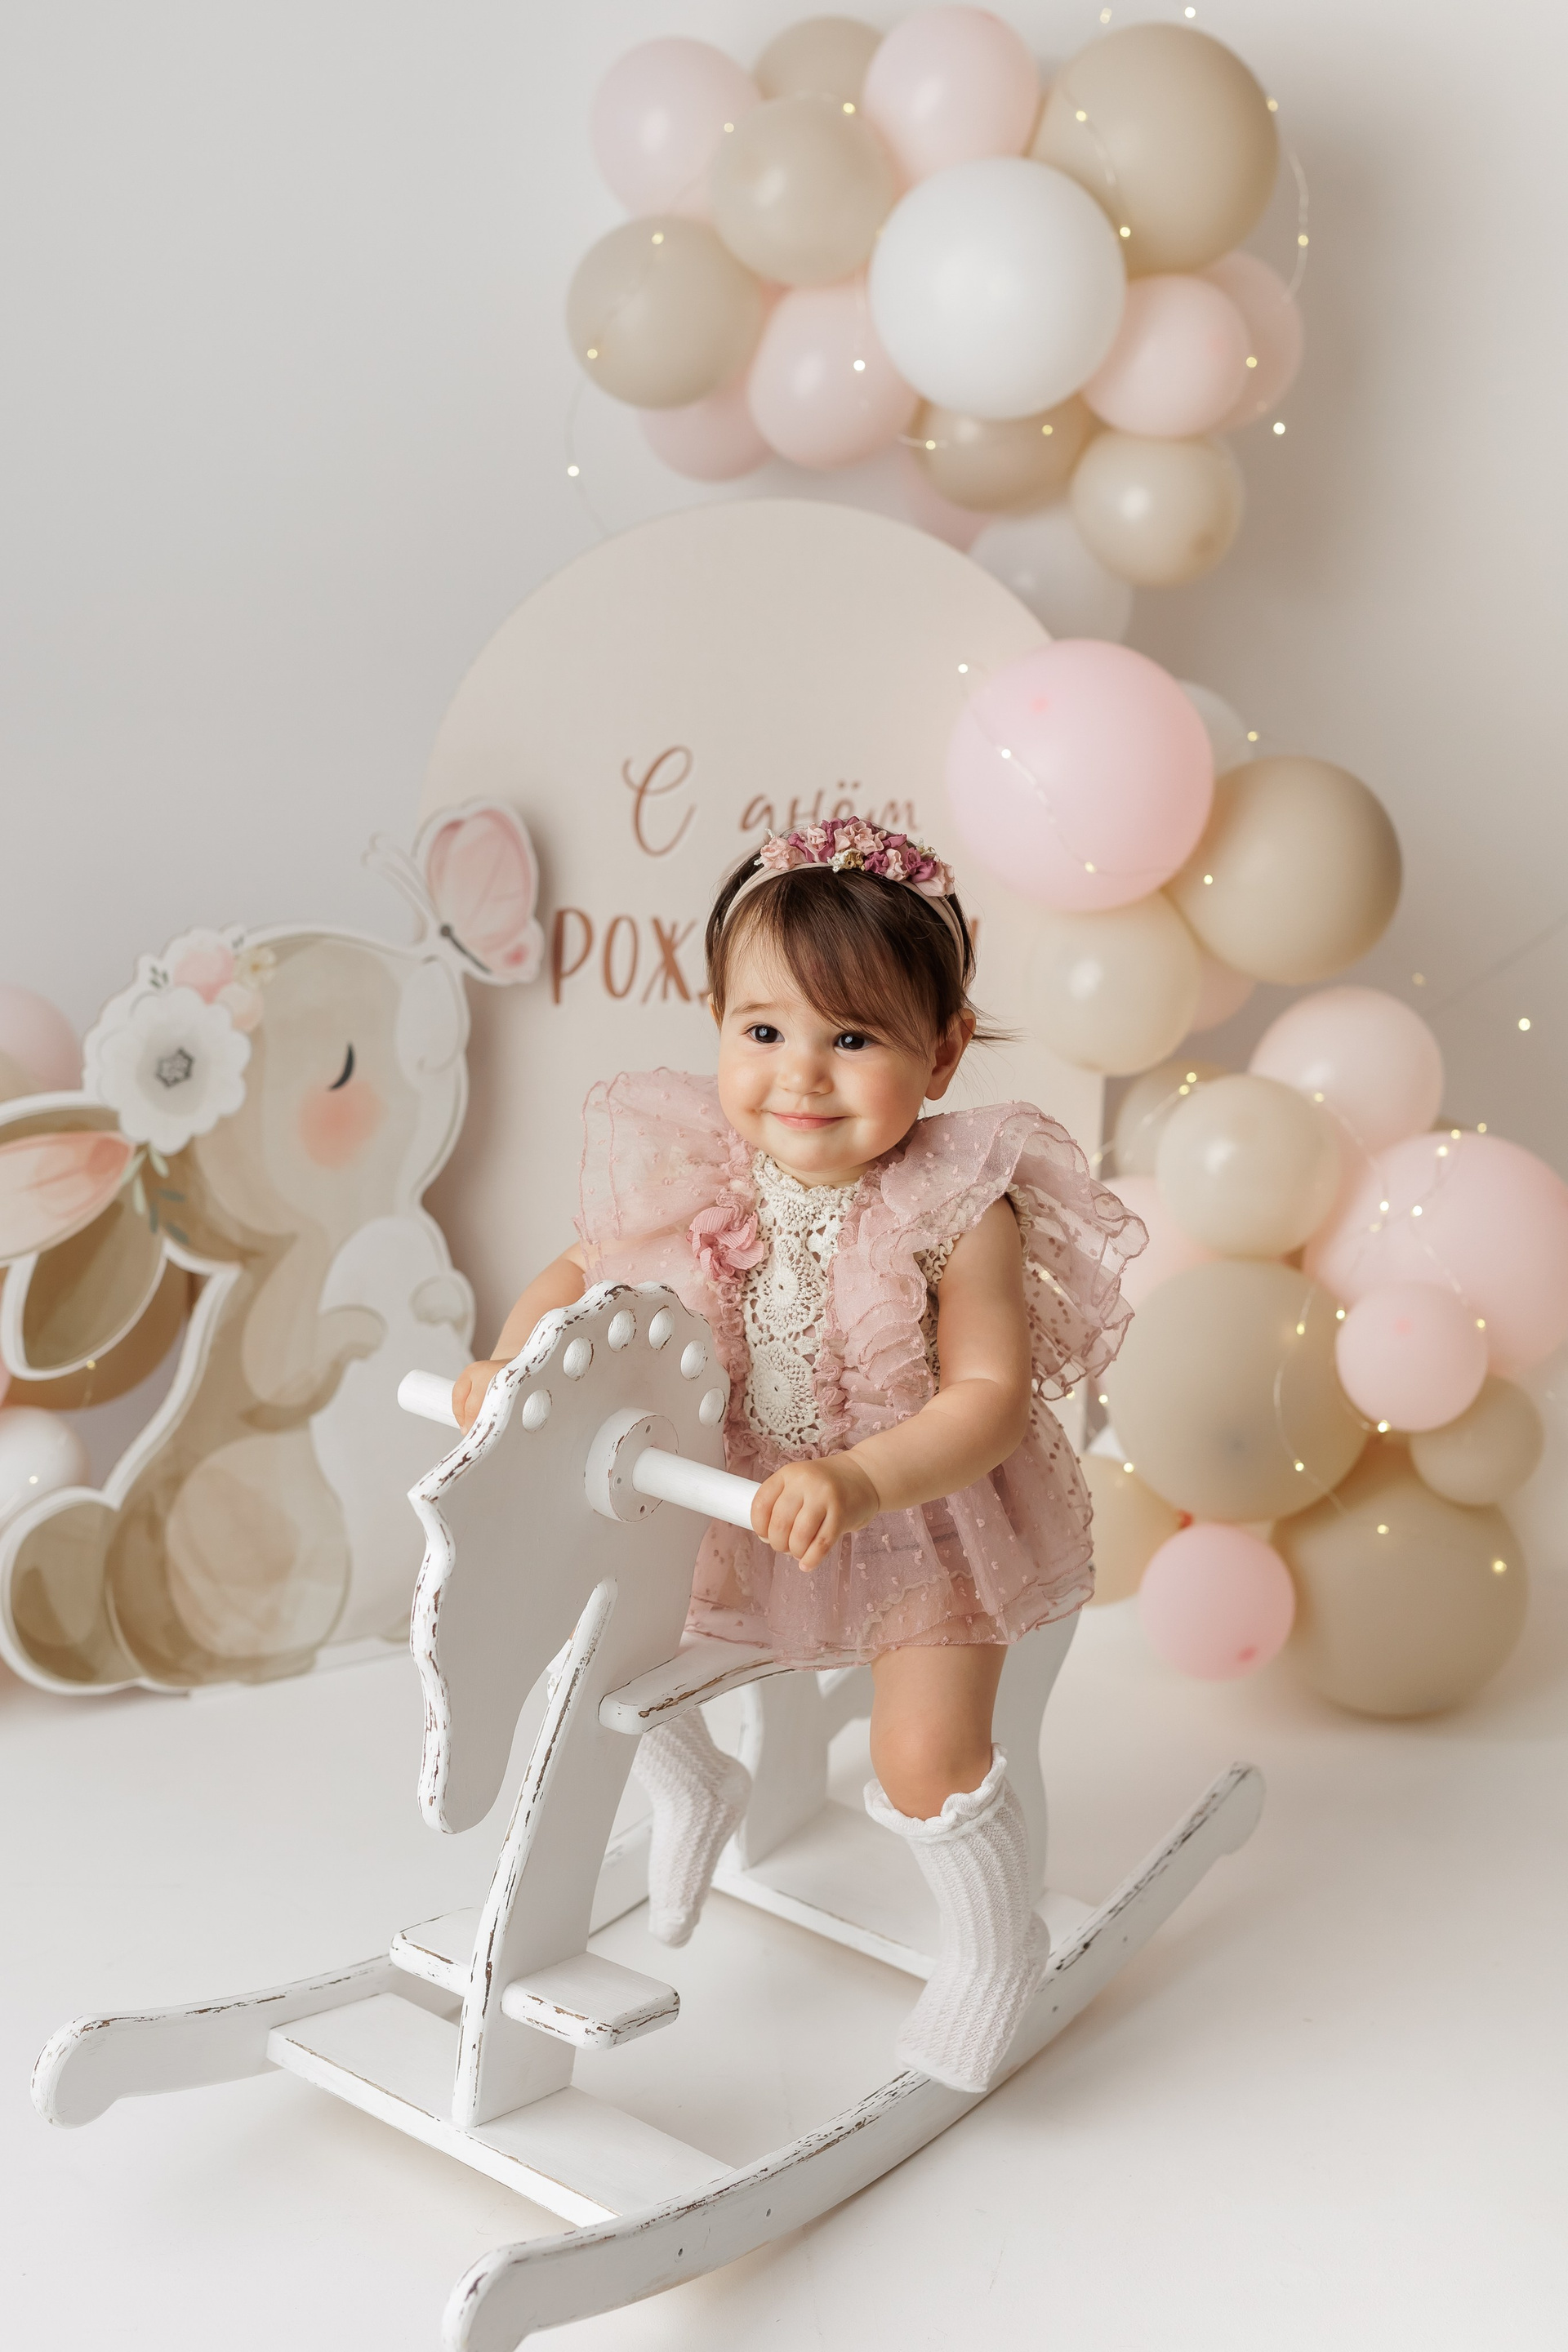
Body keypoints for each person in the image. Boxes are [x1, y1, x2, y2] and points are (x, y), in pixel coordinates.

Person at [453, 817, 1143, 2093]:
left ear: (940, 1054)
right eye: (764, 1032)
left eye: (854, 1039)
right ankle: (694, 1787)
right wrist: (511, 1358)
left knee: (922, 1756)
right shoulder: (699, 1166)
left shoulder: (959, 1203)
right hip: (732, 1498)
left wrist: (863, 1478)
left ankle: (996, 1950)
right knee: (603, 1650)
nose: (802, 1077)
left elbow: (989, 1397)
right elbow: (577, 1274)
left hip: (922, 1515)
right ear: (719, 1023)